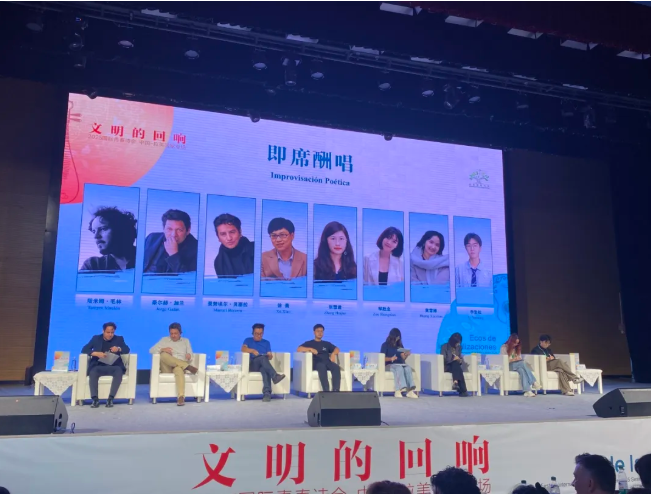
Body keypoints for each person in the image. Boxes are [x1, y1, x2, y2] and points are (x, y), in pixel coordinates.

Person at [81, 322, 130, 408]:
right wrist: (95, 353)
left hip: (113, 366)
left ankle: (110, 399)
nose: (110, 335)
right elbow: (84, 349)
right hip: (98, 366)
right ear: (103, 331)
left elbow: (127, 349)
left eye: (112, 332)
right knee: (93, 372)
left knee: (118, 371)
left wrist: (118, 349)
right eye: (108, 332)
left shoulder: (119, 339)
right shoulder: (96, 338)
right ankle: (95, 399)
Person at [149, 322, 198, 406]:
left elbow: (191, 354)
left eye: (175, 333)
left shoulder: (186, 341)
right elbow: (151, 350)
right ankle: (187, 367)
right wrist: (162, 349)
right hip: (167, 367)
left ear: (180, 333)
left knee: (179, 369)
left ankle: (181, 397)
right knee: (163, 354)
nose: (173, 335)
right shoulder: (164, 340)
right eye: (171, 333)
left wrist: (189, 355)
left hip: (179, 366)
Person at [81, 206, 137, 271]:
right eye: (94, 231)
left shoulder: (145, 257)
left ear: (121, 229)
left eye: (103, 229)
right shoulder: (93, 265)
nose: (96, 236)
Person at [241, 323, 286, 402]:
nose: (259, 336)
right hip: (253, 364)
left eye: (261, 334)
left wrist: (270, 355)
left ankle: (267, 393)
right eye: (257, 334)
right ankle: (275, 376)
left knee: (264, 369)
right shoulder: (248, 340)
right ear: (253, 333)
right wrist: (252, 351)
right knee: (262, 358)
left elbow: (270, 355)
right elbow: (243, 349)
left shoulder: (266, 342)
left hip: (263, 363)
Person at [143, 209, 198, 273]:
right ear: (164, 228)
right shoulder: (152, 238)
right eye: (169, 229)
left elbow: (188, 278)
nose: (173, 235)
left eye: (179, 230)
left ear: (188, 230)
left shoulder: (197, 249)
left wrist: (173, 254)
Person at [297, 324, 341, 392]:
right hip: (317, 363)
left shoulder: (326, 343)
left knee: (336, 367)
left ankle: (336, 389)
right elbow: (299, 349)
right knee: (322, 366)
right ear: (314, 332)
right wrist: (310, 349)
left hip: (327, 362)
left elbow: (337, 349)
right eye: (318, 331)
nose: (320, 333)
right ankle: (326, 390)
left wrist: (333, 354)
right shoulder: (309, 343)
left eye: (321, 331)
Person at [380, 328, 417, 398]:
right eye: (397, 337)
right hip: (390, 364)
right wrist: (391, 358)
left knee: (408, 368)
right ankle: (398, 390)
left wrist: (406, 355)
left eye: (399, 337)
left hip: (400, 363)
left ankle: (410, 390)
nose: (398, 339)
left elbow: (403, 358)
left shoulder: (400, 346)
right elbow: (382, 358)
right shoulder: (385, 345)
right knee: (399, 368)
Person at [440, 332, 469, 397]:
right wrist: (453, 359)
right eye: (457, 343)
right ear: (453, 342)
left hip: (456, 366)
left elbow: (460, 358)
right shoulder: (444, 347)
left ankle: (456, 382)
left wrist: (459, 360)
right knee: (456, 365)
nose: (458, 344)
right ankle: (463, 391)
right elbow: (443, 359)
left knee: (456, 365)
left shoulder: (459, 347)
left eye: (459, 342)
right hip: (447, 366)